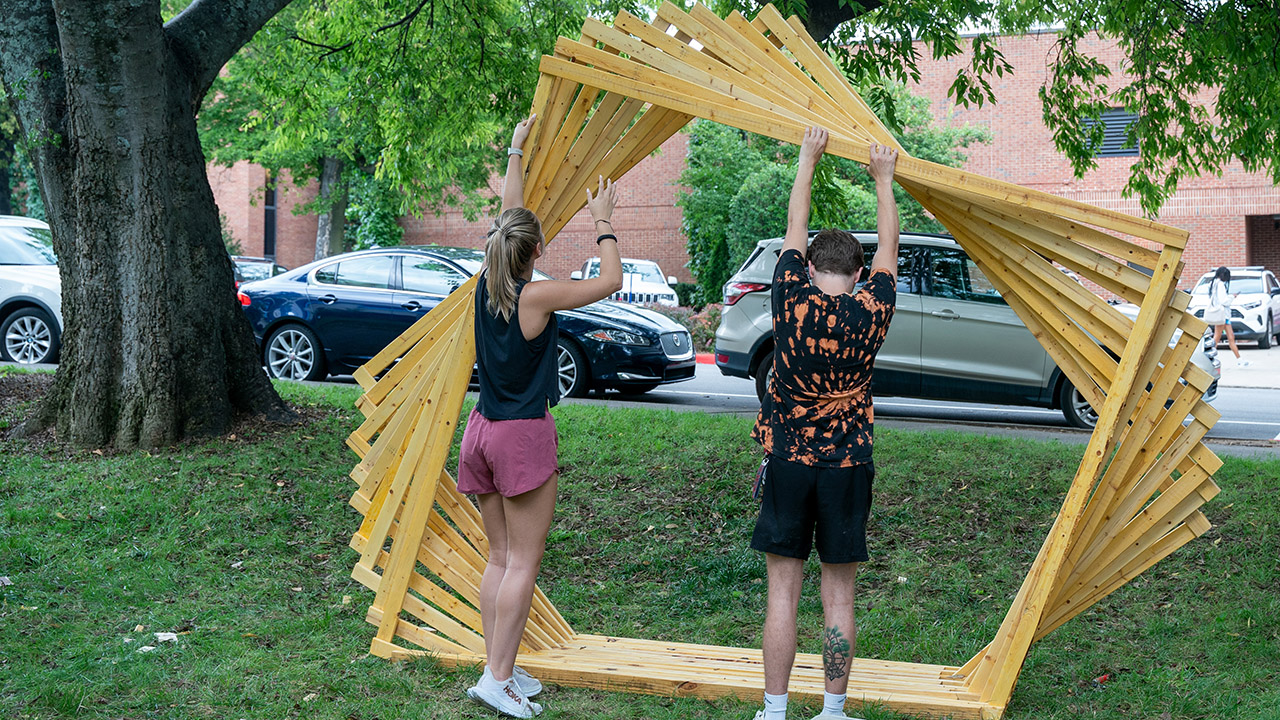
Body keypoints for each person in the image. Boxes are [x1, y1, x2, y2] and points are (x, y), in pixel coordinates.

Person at [460, 114, 624, 719]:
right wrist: (603, 219)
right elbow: (609, 279)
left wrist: (515, 150)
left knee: (499, 560)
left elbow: (510, 219)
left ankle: (495, 666)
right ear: (535, 251)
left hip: (480, 433)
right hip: (522, 438)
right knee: (522, 564)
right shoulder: (536, 293)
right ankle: (497, 678)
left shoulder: (487, 282)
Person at [750, 127, 900, 720]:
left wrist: (808, 159)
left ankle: (775, 709)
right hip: (847, 467)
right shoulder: (872, 309)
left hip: (788, 461)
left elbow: (793, 224)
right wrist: (884, 180)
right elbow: (891, 246)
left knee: (782, 592)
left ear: (809, 267)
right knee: (838, 596)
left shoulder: (790, 298)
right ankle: (832, 710)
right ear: (860, 273)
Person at [1204, 266, 1249, 367]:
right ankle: (1208, 359)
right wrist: (1232, 297)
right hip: (1222, 315)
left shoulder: (1214, 283)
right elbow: (1223, 301)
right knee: (1218, 338)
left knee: (1229, 337)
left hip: (1222, 316)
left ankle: (1240, 360)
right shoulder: (1220, 285)